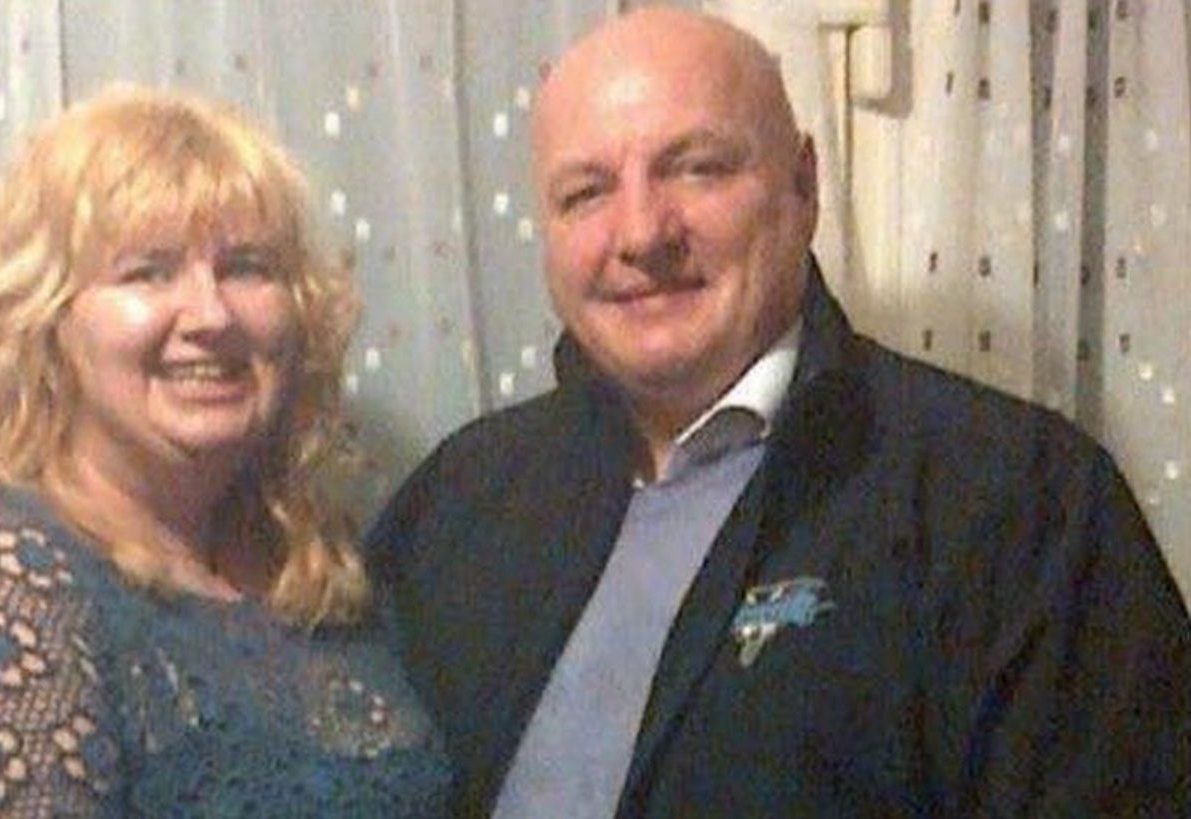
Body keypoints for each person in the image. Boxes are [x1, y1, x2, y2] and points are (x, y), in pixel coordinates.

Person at [367, 7, 1191, 817]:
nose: (642, 232)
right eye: (586, 193)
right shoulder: (456, 498)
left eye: (697, 169)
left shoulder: (1022, 502)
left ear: (803, 185)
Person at [0, 87, 449, 817]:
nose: (211, 315)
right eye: (148, 272)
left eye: (247, 267)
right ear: (45, 319)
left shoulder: (316, 571)